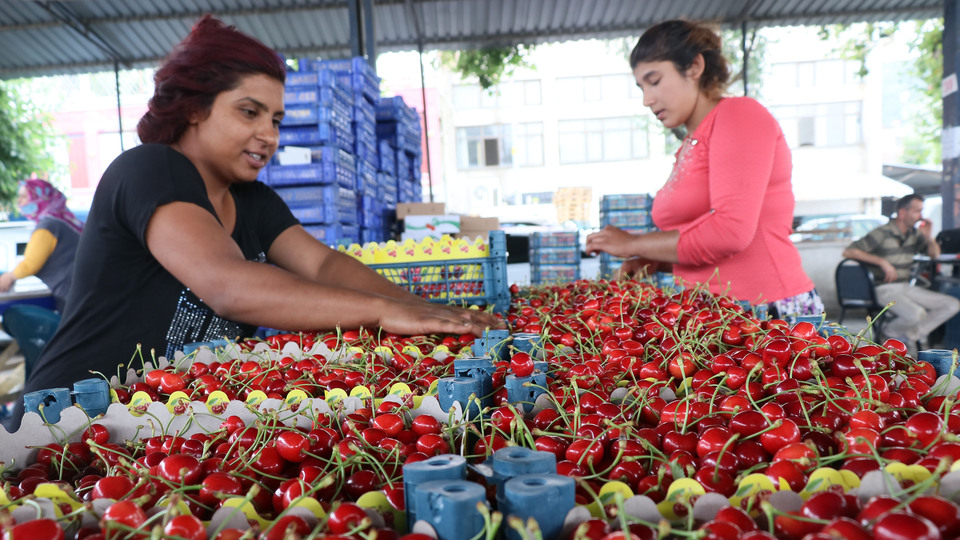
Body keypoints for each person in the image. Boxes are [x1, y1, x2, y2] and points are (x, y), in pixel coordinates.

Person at [14, 16, 501, 418]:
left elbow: (323, 267)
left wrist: (428, 317)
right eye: (249, 112)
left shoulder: (252, 200)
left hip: (157, 422)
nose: (268, 135)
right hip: (69, 420)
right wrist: (382, 312)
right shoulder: (149, 169)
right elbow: (227, 284)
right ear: (194, 109)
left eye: (275, 119)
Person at [585, 19, 822, 318]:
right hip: (709, 315)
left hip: (765, 314)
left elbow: (730, 233)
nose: (647, 100)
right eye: (641, 87)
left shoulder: (739, 115)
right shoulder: (690, 145)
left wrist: (632, 243)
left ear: (694, 67)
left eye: (654, 80)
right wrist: (656, 260)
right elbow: (711, 251)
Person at [843, 194, 960, 351]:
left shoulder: (914, 234)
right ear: (903, 212)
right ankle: (891, 333)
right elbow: (849, 252)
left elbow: (934, 255)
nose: (921, 216)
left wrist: (929, 237)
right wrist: (882, 262)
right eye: (917, 211)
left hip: (905, 286)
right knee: (917, 314)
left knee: (951, 304)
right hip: (883, 287)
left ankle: (903, 335)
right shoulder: (883, 232)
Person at [0, 178, 82, 311]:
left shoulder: (47, 226)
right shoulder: (64, 221)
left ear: (41, 197)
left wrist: (10, 276)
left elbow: (31, 263)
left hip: (74, 294)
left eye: (24, 196)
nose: (19, 201)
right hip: (85, 289)